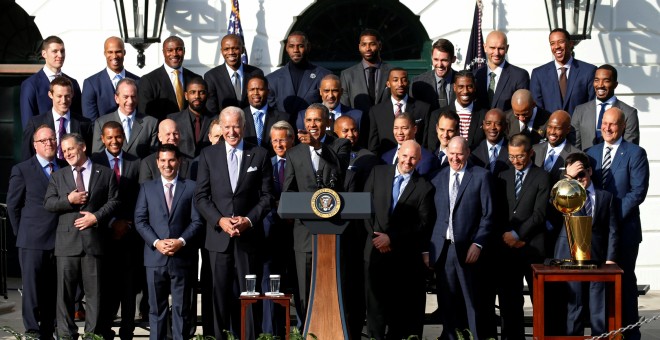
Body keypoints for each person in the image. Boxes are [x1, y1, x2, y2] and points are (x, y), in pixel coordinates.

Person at [194, 106, 274, 340]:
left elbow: (268, 196)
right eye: (227, 127)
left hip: (248, 239)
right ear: (220, 126)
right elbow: (201, 196)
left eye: (236, 126)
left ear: (244, 126)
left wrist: (248, 220)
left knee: (249, 298)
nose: (231, 131)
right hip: (218, 239)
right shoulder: (208, 155)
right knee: (217, 297)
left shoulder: (258, 154)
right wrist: (220, 220)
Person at [44, 133, 120, 339]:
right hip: (67, 244)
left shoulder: (105, 173)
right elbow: (49, 203)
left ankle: (92, 335)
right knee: (65, 295)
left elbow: (114, 202)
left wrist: (95, 217)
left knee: (94, 295)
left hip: (94, 243)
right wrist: (69, 199)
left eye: (70, 148)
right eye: (64, 150)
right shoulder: (58, 176)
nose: (67, 153)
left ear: (83, 147)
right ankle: (66, 335)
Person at [282, 103, 350, 326]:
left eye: (318, 120)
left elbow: (339, 168)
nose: (312, 125)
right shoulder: (294, 153)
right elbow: (289, 191)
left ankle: (332, 328)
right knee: (303, 286)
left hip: (334, 230)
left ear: (328, 122)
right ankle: (305, 329)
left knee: (331, 284)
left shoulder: (340, 145)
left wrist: (318, 146)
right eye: (309, 120)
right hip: (304, 232)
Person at [586, 107, 649, 340]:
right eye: (604, 123)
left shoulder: (635, 153)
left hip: (624, 231)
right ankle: (601, 334)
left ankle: (630, 334)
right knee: (597, 286)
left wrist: (609, 217)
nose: (607, 128)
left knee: (624, 284)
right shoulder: (590, 152)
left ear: (623, 126)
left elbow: (637, 193)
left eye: (613, 124)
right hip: (596, 235)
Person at [364, 140, 435, 340]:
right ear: (398, 154)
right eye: (405, 156)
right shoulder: (378, 173)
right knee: (375, 310)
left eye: (413, 157)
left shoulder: (425, 187)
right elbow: (365, 208)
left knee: (398, 313)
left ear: (419, 159)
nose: (408, 161)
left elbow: (422, 224)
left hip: (402, 259)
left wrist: (391, 239)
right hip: (373, 252)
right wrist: (377, 238)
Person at [135, 144, 203, 340]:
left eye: (171, 160)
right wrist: (156, 242)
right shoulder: (147, 188)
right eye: (163, 160)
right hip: (155, 258)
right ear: (157, 163)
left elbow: (197, 220)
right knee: (156, 311)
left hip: (182, 258)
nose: (167, 165)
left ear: (179, 161)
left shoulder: (190, 187)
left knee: (182, 310)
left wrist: (181, 241)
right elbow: (140, 220)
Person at [429, 136, 494, 340]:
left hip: (468, 250)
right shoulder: (436, 177)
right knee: (447, 300)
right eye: (452, 153)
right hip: (443, 249)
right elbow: (429, 217)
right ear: (446, 152)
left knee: (472, 301)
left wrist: (478, 243)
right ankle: (450, 336)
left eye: (459, 153)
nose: (455, 158)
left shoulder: (481, 176)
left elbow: (489, 215)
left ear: (467, 153)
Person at [7, 126, 67, 338]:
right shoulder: (22, 169)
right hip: (31, 239)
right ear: (35, 145)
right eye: (44, 140)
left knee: (52, 289)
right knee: (32, 290)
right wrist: (21, 233)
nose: (49, 143)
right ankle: (32, 331)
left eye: (52, 139)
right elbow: (13, 206)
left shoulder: (63, 167)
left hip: (58, 240)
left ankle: (48, 329)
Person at [554, 152, 619, 336]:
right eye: (574, 176)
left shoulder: (605, 196)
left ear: (590, 171)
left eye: (582, 174)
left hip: (597, 260)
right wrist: (568, 179)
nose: (579, 179)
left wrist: (610, 259)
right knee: (575, 306)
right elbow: (554, 203)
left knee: (599, 306)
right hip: (571, 258)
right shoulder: (565, 193)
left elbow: (612, 230)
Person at [89, 121, 142, 339]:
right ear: (102, 138)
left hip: (129, 233)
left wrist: (127, 223)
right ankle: (104, 329)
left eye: (118, 137)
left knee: (129, 287)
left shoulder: (135, 163)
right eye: (109, 137)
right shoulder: (94, 162)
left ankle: (127, 330)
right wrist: (111, 223)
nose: (114, 141)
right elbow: (93, 197)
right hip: (103, 233)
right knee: (105, 286)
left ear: (124, 137)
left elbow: (140, 196)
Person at [496, 134, 550, 340]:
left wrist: (518, 235)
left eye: (520, 156)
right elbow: (498, 212)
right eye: (511, 157)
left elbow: (539, 214)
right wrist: (507, 236)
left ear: (530, 153)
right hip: (506, 249)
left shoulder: (542, 176)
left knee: (540, 302)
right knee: (509, 302)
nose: (515, 161)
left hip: (532, 249)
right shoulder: (503, 176)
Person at [261, 120, 296, 337]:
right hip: (271, 233)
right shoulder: (268, 164)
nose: (279, 144)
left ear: (292, 139)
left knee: (298, 284)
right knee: (270, 282)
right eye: (274, 140)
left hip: (296, 230)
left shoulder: (301, 162)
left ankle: (302, 330)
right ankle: (270, 332)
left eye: (282, 139)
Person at [22, 76, 92, 161]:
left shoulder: (84, 123)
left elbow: (89, 154)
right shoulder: (35, 123)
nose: (63, 101)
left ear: (72, 94)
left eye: (67, 96)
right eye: (59, 96)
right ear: (50, 95)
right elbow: (27, 157)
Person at [572, 64, 639, 150]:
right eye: (596, 80)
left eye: (606, 81)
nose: (600, 85)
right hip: (585, 162)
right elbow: (574, 147)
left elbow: (630, 149)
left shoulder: (629, 113)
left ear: (615, 84)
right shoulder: (580, 111)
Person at [20, 35, 82, 128]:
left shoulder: (73, 83)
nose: (60, 55)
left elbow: (79, 118)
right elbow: (28, 124)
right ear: (44, 54)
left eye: (62, 51)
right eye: (55, 51)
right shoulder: (30, 85)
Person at [266, 31, 331, 120]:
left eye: (300, 46)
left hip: (312, 131)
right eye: (291, 46)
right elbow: (270, 114)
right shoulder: (272, 79)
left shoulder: (323, 76)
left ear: (308, 47)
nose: (296, 50)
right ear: (286, 48)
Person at [530, 28, 596, 114]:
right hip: (550, 126)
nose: (557, 46)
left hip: (579, 127)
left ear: (571, 43)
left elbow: (592, 106)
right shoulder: (538, 74)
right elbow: (537, 108)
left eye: (561, 41)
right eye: (552, 43)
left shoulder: (588, 71)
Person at [368, 67, 430, 156]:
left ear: (408, 83)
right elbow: (373, 146)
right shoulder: (376, 111)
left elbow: (425, 142)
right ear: (388, 84)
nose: (400, 84)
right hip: (386, 164)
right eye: (395, 80)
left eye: (403, 80)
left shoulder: (423, 108)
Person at [138, 36, 202, 121]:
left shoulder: (195, 78)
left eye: (178, 49)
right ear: (163, 52)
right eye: (170, 50)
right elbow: (145, 116)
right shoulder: (149, 80)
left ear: (184, 51)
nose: (174, 54)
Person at [92, 78, 159, 158]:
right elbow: (98, 156)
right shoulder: (101, 123)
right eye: (125, 97)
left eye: (133, 96)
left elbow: (153, 157)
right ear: (116, 98)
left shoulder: (150, 123)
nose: (130, 101)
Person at [81, 36, 141, 121]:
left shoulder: (138, 82)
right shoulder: (91, 84)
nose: (114, 56)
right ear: (105, 53)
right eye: (110, 52)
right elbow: (90, 121)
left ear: (124, 52)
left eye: (118, 52)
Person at [426, 70, 486, 152]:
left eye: (469, 86)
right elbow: (433, 148)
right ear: (454, 87)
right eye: (461, 87)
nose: (465, 91)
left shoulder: (484, 115)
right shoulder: (437, 115)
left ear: (474, 87)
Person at [204, 34, 264, 114]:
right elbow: (211, 110)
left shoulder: (256, 73)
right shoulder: (211, 76)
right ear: (221, 51)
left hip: (251, 124)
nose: (231, 52)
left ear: (242, 50)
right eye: (226, 49)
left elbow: (262, 102)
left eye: (235, 48)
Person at [339, 29, 392, 114]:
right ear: (359, 47)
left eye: (372, 44)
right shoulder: (347, 75)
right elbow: (344, 106)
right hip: (358, 125)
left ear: (380, 45)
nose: (368, 48)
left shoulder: (392, 71)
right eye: (364, 45)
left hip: (386, 124)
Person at [475, 31, 530, 111]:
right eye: (492, 48)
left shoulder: (519, 76)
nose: (496, 53)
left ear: (507, 48)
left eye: (500, 48)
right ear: (485, 47)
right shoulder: (476, 75)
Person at [297, 74, 363, 137]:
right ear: (320, 92)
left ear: (341, 92)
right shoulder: (303, 116)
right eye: (326, 91)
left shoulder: (357, 116)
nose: (331, 95)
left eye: (335, 91)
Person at [167, 77, 215, 158]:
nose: (197, 96)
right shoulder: (173, 120)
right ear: (186, 95)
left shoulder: (217, 119)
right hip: (182, 167)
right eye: (192, 92)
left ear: (207, 95)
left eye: (201, 92)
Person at [242, 74, 289, 154]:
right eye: (252, 89)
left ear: (268, 92)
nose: (256, 93)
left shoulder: (282, 118)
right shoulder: (239, 117)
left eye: (260, 89)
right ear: (247, 92)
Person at [380, 112, 438, 177]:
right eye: (396, 128)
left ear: (414, 129)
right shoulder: (385, 157)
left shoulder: (427, 159)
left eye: (404, 128)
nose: (399, 132)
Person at [532, 110, 581, 184]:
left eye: (558, 128)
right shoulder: (534, 150)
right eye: (549, 127)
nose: (552, 132)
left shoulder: (577, 156)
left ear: (568, 130)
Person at [411, 39, 458, 111]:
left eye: (444, 60)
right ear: (431, 58)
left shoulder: (462, 81)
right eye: (436, 59)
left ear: (453, 59)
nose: (439, 65)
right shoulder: (418, 83)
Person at [469, 108, 510, 176]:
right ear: (483, 125)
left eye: (497, 124)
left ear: (505, 126)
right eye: (488, 123)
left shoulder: (513, 150)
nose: (492, 127)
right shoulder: (473, 151)